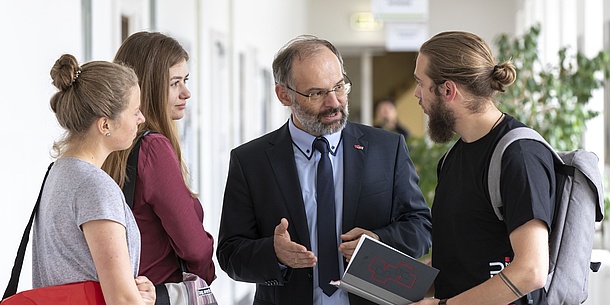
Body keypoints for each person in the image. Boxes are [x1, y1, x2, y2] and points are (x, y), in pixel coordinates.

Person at [217, 35, 433, 305]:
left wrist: (379, 240)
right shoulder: (251, 161)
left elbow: (421, 227)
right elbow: (230, 253)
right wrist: (273, 253)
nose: (334, 102)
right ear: (284, 95)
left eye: (339, 87)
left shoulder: (387, 148)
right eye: (316, 93)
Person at [412, 31, 554, 305]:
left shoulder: (519, 155)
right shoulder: (453, 158)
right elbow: (464, 260)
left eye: (421, 83)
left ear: (448, 90)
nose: (417, 94)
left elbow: (532, 271)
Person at [33, 54, 153, 305]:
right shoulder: (95, 186)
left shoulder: (58, 173)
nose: (141, 119)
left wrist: (136, 294)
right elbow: (121, 301)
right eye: (135, 111)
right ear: (105, 124)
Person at [102, 31, 216, 286]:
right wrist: (204, 277)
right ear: (148, 87)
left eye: (186, 80)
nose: (186, 93)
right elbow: (195, 248)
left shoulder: (111, 146)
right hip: (160, 292)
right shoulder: (153, 148)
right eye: (175, 83)